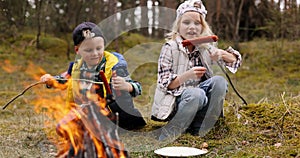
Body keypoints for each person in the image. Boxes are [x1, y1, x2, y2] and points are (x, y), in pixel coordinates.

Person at [151, 0, 242, 141]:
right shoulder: (170, 48)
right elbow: (166, 84)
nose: (192, 27)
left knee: (219, 82)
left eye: (197, 23)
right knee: (196, 94)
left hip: (201, 99)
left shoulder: (205, 46)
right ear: (178, 26)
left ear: (202, 27)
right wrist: (187, 75)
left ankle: (201, 126)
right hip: (176, 101)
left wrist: (222, 54)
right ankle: (171, 131)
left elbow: (234, 60)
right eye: (186, 23)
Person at [40, 22, 146, 130]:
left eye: (99, 48)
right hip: (89, 110)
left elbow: (138, 88)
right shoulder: (76, 68)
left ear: (104, 46)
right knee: (63, 127)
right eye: (88, 50)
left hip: (115, 112)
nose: (95, 53)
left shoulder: (115, 67)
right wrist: (51, 80)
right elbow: (63, 80)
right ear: (77, 50)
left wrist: (127, 86)